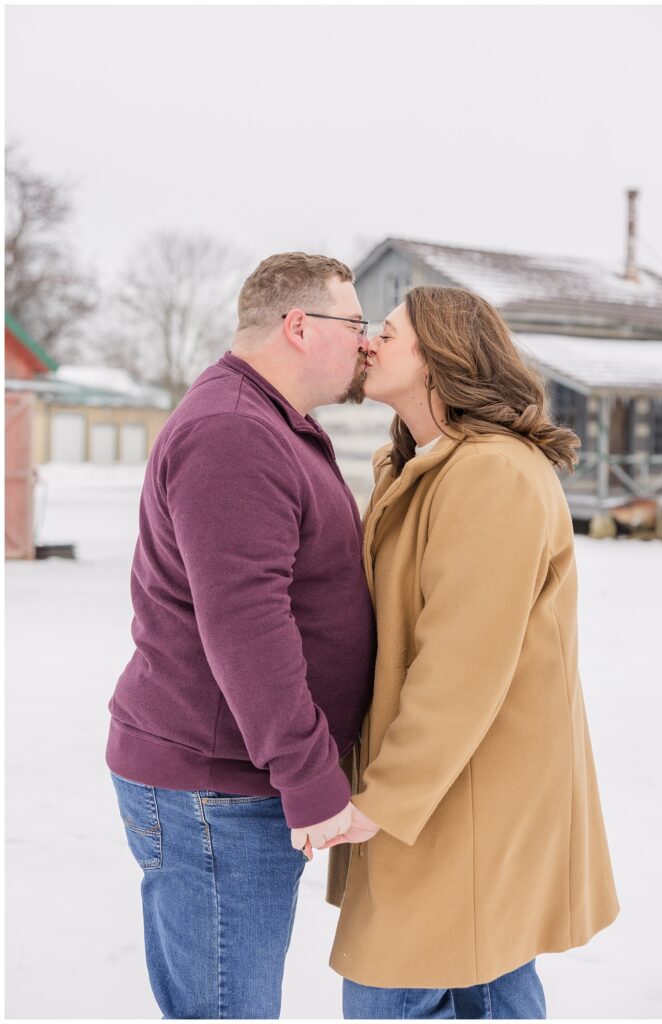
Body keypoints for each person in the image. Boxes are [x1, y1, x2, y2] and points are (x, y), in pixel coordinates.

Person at [316, 285, 620, 1019]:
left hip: (467, 792)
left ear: (438, 360)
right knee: (486, 974)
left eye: (386, 334)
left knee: (400, 983)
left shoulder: (494, 476)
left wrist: (383, 797)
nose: (367, 344)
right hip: (442, 789)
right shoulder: (420, 468)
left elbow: (462, 666)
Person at [106, 252, 376, 1019]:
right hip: (211, 790)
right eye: (355, 323)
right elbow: (247, 627)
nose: (365, 342)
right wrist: (310, 778)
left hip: (232, 781)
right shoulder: (234, 433)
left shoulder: (264, 422)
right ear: (299, 326)